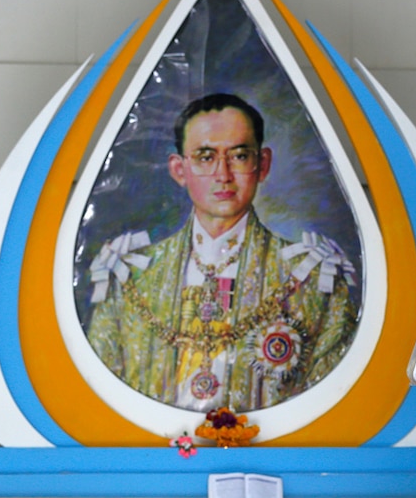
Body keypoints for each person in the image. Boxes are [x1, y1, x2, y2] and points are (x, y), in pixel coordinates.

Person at [85, 93, 359, 413]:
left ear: (263, 164)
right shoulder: (130, 276)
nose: (223, 174)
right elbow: (101, 396)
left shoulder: (314, 279)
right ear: (178, 169)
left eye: (239, 156)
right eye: (205, 157)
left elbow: (333, 402)